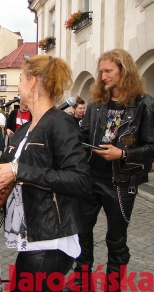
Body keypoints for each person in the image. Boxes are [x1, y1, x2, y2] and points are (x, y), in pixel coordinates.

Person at [0, 55, 91, 292]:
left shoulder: (60, 123)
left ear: (33, 82)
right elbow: (10, 170)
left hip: (51, 238)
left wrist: (19, 170)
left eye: (21, 79)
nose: (18, 85)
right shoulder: (25, 129)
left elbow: (80, 180)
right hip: (31, 235)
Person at [71, 49, 154, 291]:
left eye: (109, 71)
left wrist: (124, 154)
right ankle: (82, 280)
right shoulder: (97, 102)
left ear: (123, 71)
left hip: (121, 182)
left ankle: (113, 286)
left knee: (116, 240)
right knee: (82, 231)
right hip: (91, 177)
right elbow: (85, 133)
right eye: (101, 71)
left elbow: (151, 147)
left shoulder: (144, 105)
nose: (103, 76)